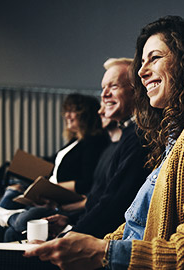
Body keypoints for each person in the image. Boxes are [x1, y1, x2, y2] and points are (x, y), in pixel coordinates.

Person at [25, 16, 184, 269]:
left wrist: (103, 252)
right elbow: (137, 225)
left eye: (155, 58)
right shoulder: (176, 135)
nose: (140, 71)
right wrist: (90, 245)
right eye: (142, 61)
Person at [0, 93, 110, 243]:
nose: (67, 115)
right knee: (14, 188)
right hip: (52, 189)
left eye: (72, 111)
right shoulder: (74, 141)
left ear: (86, 115)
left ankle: (2, 226)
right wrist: (28, 166)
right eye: (66, 111)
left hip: (63, 195)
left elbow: (86, 182)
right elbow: (52, 162)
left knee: (18, 212)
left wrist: (49, 188)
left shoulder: (93, 143)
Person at [46, 59, 150, 239]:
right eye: (103, 88)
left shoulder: (139, 137)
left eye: (113, 86)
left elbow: (115, 205)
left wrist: (72, 234)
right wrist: (70, 218)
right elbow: (100, 197)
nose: (104, 95)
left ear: (136, 91)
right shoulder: (127, 134)